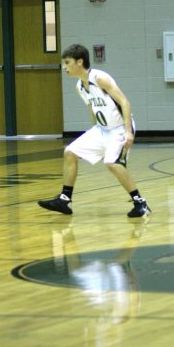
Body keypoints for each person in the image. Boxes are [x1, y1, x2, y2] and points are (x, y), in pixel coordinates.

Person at [38, 43, 150, 218]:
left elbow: (125, 102)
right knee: (70, 152)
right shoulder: (79, 86)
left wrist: (128, 132)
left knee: (111, 163)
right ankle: (64, 199)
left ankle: (140, 203)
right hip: (102, 129)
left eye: (67, 63)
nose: (64, 67)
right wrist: (91, 134)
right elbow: (93, 111)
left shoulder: (99, 78)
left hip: (119, 128)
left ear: (80, 62)